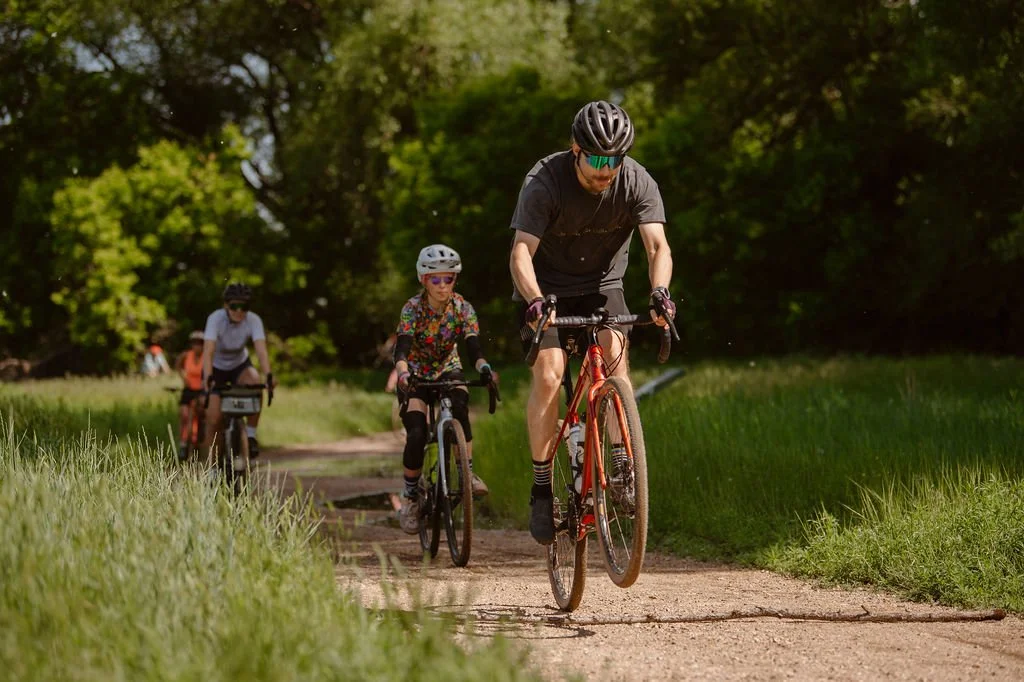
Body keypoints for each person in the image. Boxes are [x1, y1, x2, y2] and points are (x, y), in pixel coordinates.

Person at [508, 100, 677, 545]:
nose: (606, 170)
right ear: (575, 150)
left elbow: (657, 246)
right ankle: (542, 485)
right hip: (544, 288)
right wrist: (535, 301)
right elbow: (521, 252)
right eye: (597, 159)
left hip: (603, 283)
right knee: (550, 374)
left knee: (616, 358)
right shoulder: (545, 181)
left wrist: (659, 293)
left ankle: (622, 462)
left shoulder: (636, 179)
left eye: (615, 160)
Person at [393, 244, 498, 535]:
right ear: (423, 281)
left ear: (455, 280)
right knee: (415, 433)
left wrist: (483, 368)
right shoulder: (412, 309)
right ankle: (410, 497)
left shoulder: (463, 308)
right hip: (414, 374)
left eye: (448, 279)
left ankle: (467, 471)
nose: (442, 286)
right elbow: (401, 348)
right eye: (435, 280)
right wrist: (402, 373)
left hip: (447, 367)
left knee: (460, 406)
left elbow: (473, 344)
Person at [200, 282, 277, 460]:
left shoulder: (253, 320)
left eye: (245, 307)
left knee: (256, 382)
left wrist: (269, 376)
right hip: (216, 367)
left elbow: (261, 350)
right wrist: (208, 376)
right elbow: (208, 350)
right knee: (214, 420)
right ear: (226, 305)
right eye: (235, 306)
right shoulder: (215, 319)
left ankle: (250, 435)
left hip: (239, 365)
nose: (239, 311)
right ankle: (212, 470)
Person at [174, 330, 206, 461]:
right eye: (195, 343)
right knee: (184, 415)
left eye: (200, 343)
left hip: (202, 390)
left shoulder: (207, 357)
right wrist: (184, 379)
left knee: (199, 414)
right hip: (188, 389)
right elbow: (178, 366)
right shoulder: (186, 356)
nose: (197, 346)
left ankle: (197, 441)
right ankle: (183, 443)